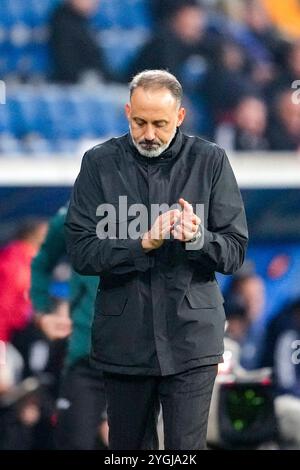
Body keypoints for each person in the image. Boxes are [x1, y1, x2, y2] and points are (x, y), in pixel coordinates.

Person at [65, 70, 248, 450]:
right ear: (127, 112)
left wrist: (198, 238)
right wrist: (142, 242)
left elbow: (233, 252)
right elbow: (81, 252)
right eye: (140, 122)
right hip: (123, 342)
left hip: (192, 339)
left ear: (179, 117)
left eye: (160, 124)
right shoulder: (98, 164)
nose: (149, 134)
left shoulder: (210, 161)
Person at [30, 205, 108, 449]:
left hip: (143, 362)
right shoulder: (73, 214)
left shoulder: (154, 207)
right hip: (85, 361)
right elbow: (41, 264)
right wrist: (42, 314)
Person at [49, 0, 110, 83]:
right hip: (75, 83)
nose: (93, 2)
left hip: (98, 77)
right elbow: (68, 66)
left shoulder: (83, 22)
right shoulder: (62, 23)